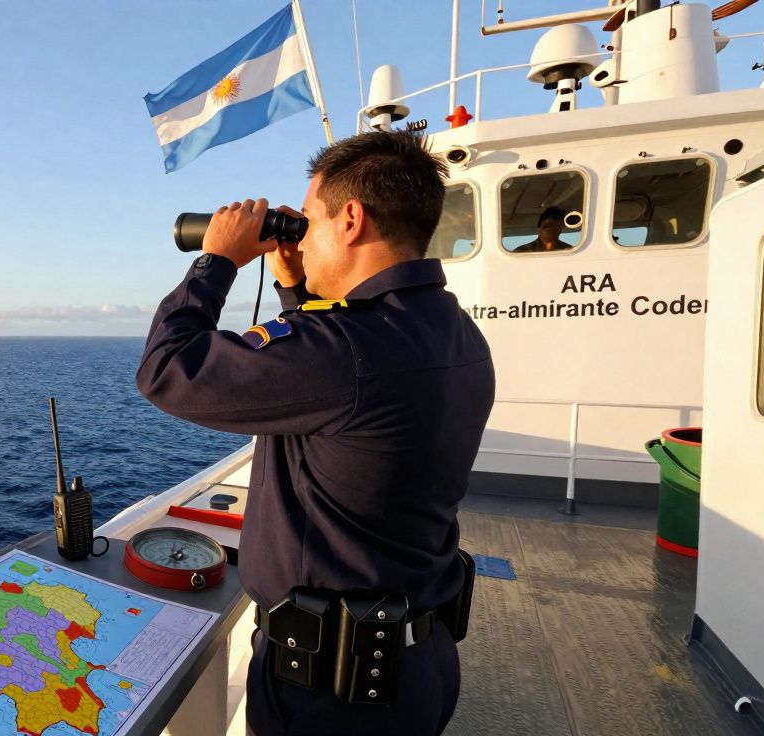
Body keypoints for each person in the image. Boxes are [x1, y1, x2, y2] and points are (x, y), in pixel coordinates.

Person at [136, 131, 495, 735]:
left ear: (350, 219)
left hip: (331, 694)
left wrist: (218, 259)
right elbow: (333, 379)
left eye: (308, 220)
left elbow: (167, 370)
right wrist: (296, 290)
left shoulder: (346, 352)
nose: (301, 232)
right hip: (417, 661)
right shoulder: (456, 332)